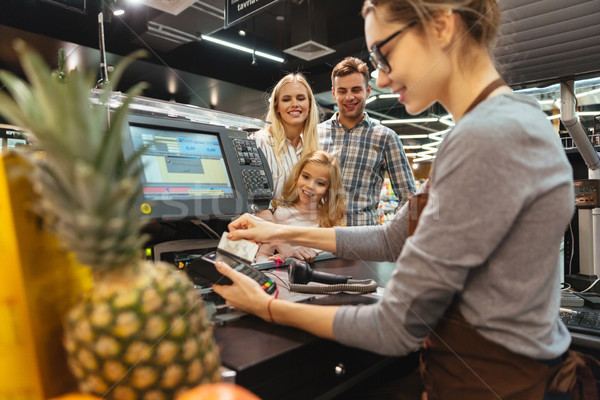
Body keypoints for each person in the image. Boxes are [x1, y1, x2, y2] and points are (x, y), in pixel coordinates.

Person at [214, 1, 585, 399]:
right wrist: (278, 230)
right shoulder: (499, 122)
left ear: (442, 26)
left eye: (382, 54)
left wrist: (268, 307)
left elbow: (397, 326)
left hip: (494, 383)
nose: (382, 78)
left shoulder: (488, 139)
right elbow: (394, 238)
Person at [318, 56, 416, 226]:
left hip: (363, 242)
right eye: (342, 91)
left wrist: (389, 234)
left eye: (356, 90)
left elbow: (409, 198)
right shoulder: (316, 134)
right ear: (334, 93)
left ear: (367, 91)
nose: (349, 97)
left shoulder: (386, 138)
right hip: (318, 242)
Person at [254, 150, 346, 263]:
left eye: (320, 183)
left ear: (329, 189)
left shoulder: (331, 217)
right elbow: (262, 257)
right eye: (306, 177)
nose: (310, 186)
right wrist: (277, 262)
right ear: (298, 176)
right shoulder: (282, 214)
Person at [252, 73, 320, 199]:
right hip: (267, 218)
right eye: (286, 99)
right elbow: (254, 201)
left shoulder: (312, 149)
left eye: (300, 98)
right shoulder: (259, 142)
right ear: (277, 106)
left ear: (309, 105)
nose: (294, 104)